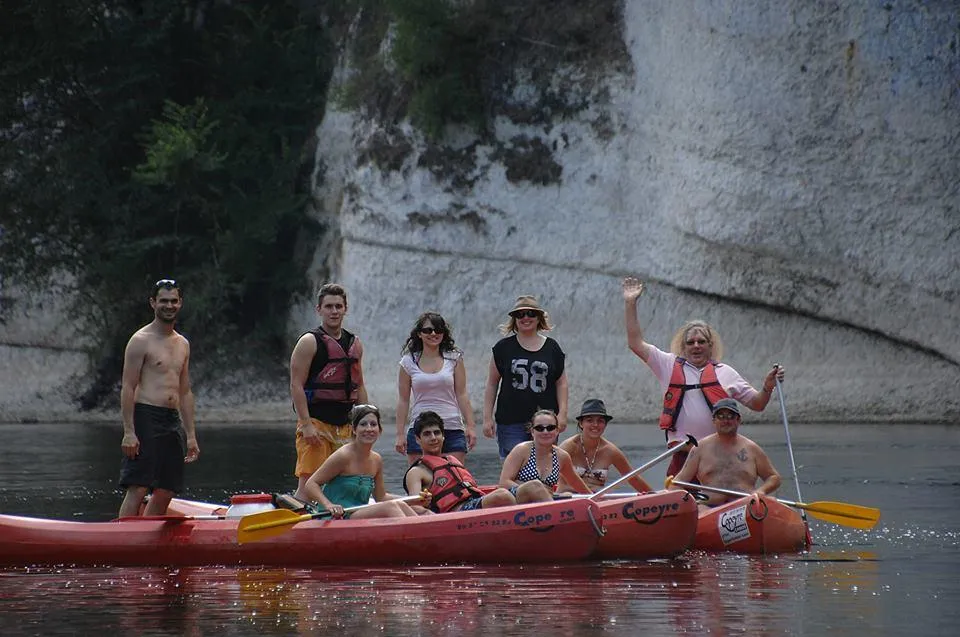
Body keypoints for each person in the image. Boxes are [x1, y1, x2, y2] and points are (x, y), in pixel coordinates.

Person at [622, 276, 786, 479]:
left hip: (718, 458)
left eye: (701, 341)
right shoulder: (668, 365)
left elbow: (757, 404)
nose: (696, 346)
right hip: (682, 455)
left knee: (717, 501)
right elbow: (635, 343)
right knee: (681, 499)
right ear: (683, 347)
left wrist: (768, 386)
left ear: (710, 346)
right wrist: (630, 303)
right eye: (690, 342)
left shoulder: (725, 372)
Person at [118, 278, 199, 517]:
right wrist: (129, 431)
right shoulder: (140, 341)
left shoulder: (182, 343)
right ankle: (123, 540)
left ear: (180, 303)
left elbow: (185, 391)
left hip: (171, 420)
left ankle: (147, 538)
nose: (169, 305)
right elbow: (128, 387)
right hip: (146, 416)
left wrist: (191, 435)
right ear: (153, 303)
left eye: (174, 301)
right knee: (139, 486)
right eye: (163, 301)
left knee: (167, 489)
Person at [290, 283, 368, 497]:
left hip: (345, 424)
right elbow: (296, 385)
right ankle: (300, 520)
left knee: (346, 480)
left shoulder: (355, 343)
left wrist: (366, 419)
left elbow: (359, 384)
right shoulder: (309, 342)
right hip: (316, 422)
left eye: (338, 306)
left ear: (345, 309)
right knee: (308, 482)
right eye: (329, 306)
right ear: (319, 310)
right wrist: (306, 425)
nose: (334, 311)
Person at [299, 405, 423, 519]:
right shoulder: (343, 456)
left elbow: (381, 497)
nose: (369, 429)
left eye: (373, 424)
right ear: (354, 429)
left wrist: (413, 499)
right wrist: (328, 505)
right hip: (337, 517)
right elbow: (311, 484)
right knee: (390, 507)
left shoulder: (376, 460)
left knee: (402, 505)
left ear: (379, 430)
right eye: (363, 424)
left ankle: (423, 530)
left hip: (359, 514)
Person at [483, 295, 569, 460]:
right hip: (510, 420)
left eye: (530, 313)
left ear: (539, 318)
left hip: (545, 422)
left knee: (544, 464)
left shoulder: (552, 348)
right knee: (515, 465)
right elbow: (492, 383)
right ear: (514, 320)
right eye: (520, 315)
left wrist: (563, 414)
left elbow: (562, 383)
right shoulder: (503, 348)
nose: (525, 318)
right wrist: (487, 418)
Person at [395, 312, 477, 466]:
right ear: (419, 334)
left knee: (454, 479)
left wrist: (470, 426)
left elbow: (462, 394)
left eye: (438, 329)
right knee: (420, 481)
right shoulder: (408, 362)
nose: (433, 333)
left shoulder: (454, 358)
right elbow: (403, 400)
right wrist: (400, 434)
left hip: (451, 427)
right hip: (420, 428)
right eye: (428, 330)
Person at [667, 398, 781, 507]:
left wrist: (761, 491)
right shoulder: (700, 448)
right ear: (714, 421)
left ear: (738, 420)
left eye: (730, 416)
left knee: (772, 502)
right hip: (709, 508)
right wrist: (684, 502)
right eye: (720, 416)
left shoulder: (752, 448)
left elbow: (773, 477)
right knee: (699, 510)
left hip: (746, 508)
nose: (726, 421)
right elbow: (678, 483)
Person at [404, 411, 521, 512]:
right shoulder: (416, 472)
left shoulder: (452, 460)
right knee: (502, 496)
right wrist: (423, 503)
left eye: (437, 432)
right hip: (456, 512)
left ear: (443, 436)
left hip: (474, 502)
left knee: (531, 487)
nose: (433, 438)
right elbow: (416, 506)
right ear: (418, 439)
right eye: (427, 434)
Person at [557, 398, 653, 493]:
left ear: (605, 424)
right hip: (567, 500)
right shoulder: (568, 446)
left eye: (600, 421)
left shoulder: (610, 451)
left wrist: (655, 497)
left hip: (597, 503)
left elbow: (633, 478)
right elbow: (548, 473)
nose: (595, 425)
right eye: (590, 420)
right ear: (581, 423)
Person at [498, 409, 591, 502]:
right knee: (535, 486)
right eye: (539, 428)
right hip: (519, 501)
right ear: (532, 431)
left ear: (557, 431)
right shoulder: (521, 450)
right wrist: (534, 491)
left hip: (546, 503)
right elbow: (504, 482)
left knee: (567, 495)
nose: (545, 432)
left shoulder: (562, 456)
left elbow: (575, 482)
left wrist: (594, 498)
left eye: (550, 428)